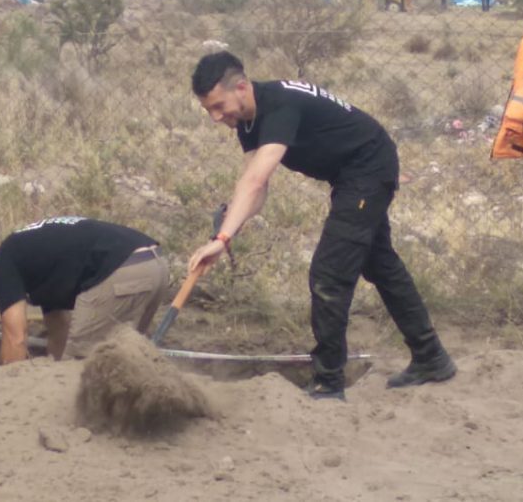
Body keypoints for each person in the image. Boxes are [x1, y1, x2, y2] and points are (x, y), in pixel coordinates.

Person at [188, 52, 455, 401]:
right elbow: (255, 188)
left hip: (368, 167)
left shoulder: (279, 105)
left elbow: (255, 181)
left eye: (219, 106)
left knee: (328, 275)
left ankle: (328, 382)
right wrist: (226, 232)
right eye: (209, 110)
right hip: (351, 174)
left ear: (240, 87)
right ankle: (431, 357)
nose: (216, 117)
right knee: (380, 264)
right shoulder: (249, 121)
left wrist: (222, 238)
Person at [0, 216, 170, 364]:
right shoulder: (33, 256)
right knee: (124, 358)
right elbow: (59, 328)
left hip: (120, 269)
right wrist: (53, 367)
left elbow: (16, 338)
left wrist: (8, 384)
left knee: (79, 366)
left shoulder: (1, 261)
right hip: (155, 265)